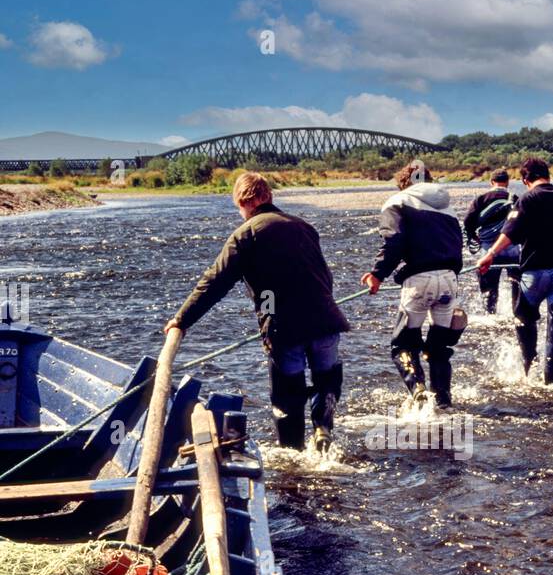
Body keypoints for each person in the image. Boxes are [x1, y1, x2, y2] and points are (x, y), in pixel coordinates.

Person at [164, 171, 349, 453]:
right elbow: (325, 277)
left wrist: (181, 319)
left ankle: (294, 459)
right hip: (326, 318)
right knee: (326, 381)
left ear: (242, 201)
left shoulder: (245, 235)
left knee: (287, 397)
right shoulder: (304, 226)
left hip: (284, 326)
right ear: (269, 197)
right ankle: (323, 428)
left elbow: (214, 283)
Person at [361, 163, 466, 410]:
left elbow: (393, 241)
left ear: (403, 183)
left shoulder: (397, 201)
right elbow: (457, 246)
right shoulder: (448, 208)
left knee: (403, 344)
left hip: (419, 281)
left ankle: (418, 394)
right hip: (450, 279)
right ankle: (443, 402)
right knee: (439, 347)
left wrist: (377, 274)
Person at [477, 157, 553, 383]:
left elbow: (510, 232)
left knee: (523, 318)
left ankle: (530, 368)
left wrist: (490, 254)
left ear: (526, 179)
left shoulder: (526, 200)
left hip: (534, 276)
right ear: (548, 174)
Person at [463, 169, 519, 314]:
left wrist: (474, 236)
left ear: (491, 182)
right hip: (512, 249)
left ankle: (491, 314)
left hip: (489, 250)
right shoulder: (515, 198)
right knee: (517, 285)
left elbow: (468, 221)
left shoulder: (481, 199)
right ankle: (516, 313)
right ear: (507, 182)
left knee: (489, 289)